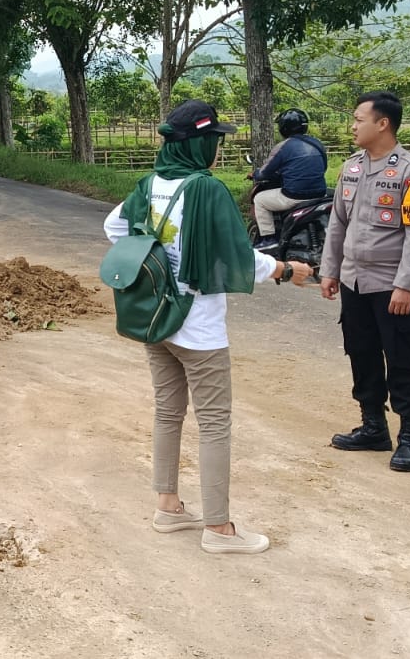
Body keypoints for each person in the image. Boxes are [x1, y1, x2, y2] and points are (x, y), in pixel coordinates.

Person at [103, 99, 312, 556]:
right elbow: (237, 255)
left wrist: (159, 264)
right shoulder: (206, 189)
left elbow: (114, 227)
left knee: (168, 412)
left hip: (158, 318)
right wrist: (283, 270)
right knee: (215, 422)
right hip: (198, 328)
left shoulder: (150, 184)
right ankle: (218, 528)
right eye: (214, 140)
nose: (218, 149)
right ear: (199, 145)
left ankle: (168, 506)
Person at [317, 91, 410, 472]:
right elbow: (338, 222)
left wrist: (405, 285)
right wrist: (330, 270)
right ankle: (373, 427)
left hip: (390, 285)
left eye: (359, 119)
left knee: (404, 360)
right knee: (361, 352)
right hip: (354, 281)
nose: (353, 126)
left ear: (383, 124)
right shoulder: (351, 167)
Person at [250, 108, 330, 249]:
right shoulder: (317, 144)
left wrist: (255, 174)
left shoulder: (283, 147)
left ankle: (268, 239)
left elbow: (264, 173)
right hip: (320, 194)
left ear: (284, 128)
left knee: (259, 200)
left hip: (294, 196)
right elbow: (324, 167)